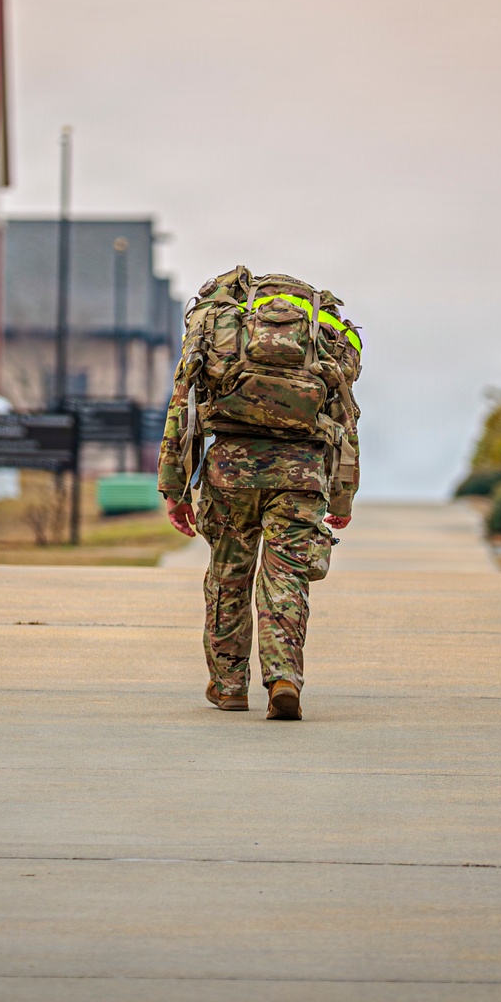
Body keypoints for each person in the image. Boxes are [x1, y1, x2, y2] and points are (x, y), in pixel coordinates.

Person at [158, 267, 361, 722]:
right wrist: (343, 494)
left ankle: (229, 685)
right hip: (302, 476)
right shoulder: (320, 335)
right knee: (287, 577)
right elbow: (346, 415)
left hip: (232, 472)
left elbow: (183, 406)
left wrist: (175, 487)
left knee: (229, 575)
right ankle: (283, 677)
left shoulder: (221, 329)